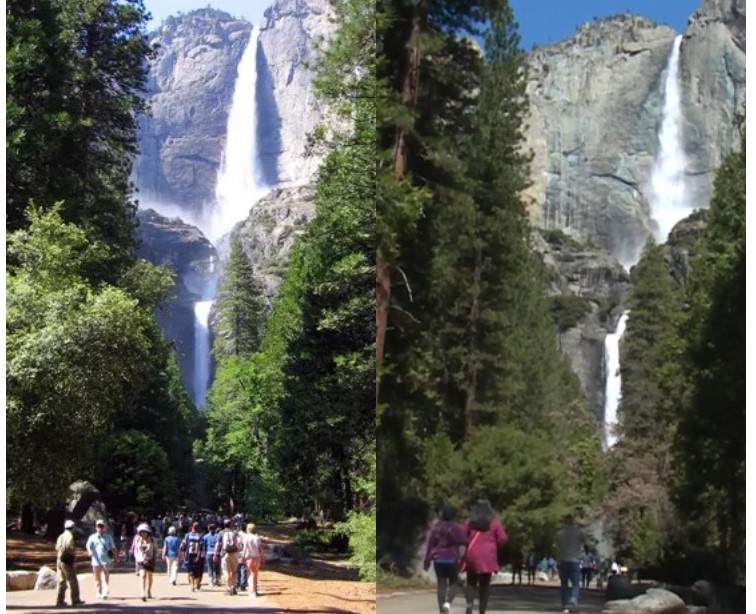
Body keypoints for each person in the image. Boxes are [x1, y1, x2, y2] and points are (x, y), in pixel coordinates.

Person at [462, 499, 507, 614]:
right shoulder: (494, 522)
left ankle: (469, 605)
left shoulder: (469, 522)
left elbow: (462, 535)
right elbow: (503, 538)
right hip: (487, 557)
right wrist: (494, 546)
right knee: (484, 586)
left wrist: (468, 542)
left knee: (471, 582)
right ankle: (482, 611)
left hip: (472, 556)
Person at [422, 504, 466, 614]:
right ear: (453, 516)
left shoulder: (436, 527)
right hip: (451, 559)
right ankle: (448, 603)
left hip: (438, 559)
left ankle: (442, 610)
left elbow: (430, 544)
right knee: (454, 582)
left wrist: (427, 560)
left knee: (441, 585)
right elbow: (464, 541)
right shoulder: (456, 527)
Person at [556, 514, 583, 614]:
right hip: (575, 560)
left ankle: (565, 606)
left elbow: (558, 543)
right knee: (575, 583)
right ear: (573, 521)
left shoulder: (560, 533)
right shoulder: (578, 532)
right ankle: (574, 598)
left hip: (563, 560)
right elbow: (582, 540)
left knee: (564, 584)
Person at [55, 520, 85, 608]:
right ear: (73, 527)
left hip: (59, 559)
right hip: (67, 560)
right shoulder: (70, 536)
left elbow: (56, 547)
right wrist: (71, 553)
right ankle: (75, 600)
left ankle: (59, 600)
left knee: (61, 581)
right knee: (73, 580)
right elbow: (69, 546)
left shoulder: (61, 536)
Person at [86, 519, 117, 600]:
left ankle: (105, 590)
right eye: (98, 526)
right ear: (96, 527)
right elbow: (88, 546)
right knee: (97, 577)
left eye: (102, 526)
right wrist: (89, 551)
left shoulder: (108, 536)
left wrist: (115, 556)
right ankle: (98, 591)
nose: (100, 528)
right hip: (95, 560)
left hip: (106, 559)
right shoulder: (92, 537)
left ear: (104, 527)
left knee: (105, 575)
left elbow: (113, 547)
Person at [214, 518, 242, 595]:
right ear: (231, 524)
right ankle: (233, 587)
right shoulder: (235, 533)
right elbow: (240, 543)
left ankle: (228, 588)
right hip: (235, 554)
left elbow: (218, 544)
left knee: (226, 571)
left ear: (224, 525)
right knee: (234, 572)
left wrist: (215, 554)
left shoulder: (221, 533)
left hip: (225, 554)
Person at [241, 523, 266, 598]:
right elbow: (260, 548)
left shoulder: (246, 538)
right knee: (255, 574)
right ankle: (255, 590)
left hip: (249, 558)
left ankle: (251, 591)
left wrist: (243, 557)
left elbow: (244, 549)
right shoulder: (256, 538)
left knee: (250, 574)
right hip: (257, 557)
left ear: (248, 529)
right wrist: (263, 557)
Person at [181, 522, 207, 591]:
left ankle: (192, 585)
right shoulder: (200, 536)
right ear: (198, 528)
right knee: (198, 571)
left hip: (189, 556)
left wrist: (183, 555)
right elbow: (202, 548)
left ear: (192, 527)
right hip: (197, 556)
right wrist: (200, 557)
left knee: (190, 570)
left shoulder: (187, 535)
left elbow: (182, 546)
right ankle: (197, 584)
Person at [134, 523, 157, 601]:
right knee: (142, 575)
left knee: (149, 576)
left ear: (148, 532)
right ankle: (143, 593)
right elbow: (136, 550)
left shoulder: (153, 540)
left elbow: (155, 550)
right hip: (140, 560)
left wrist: (154, 558)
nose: (143, 533)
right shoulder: (137, 539)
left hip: (150, 560)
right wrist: (136, 559)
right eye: (141, 531)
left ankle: (149, 590)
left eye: (145, 531)